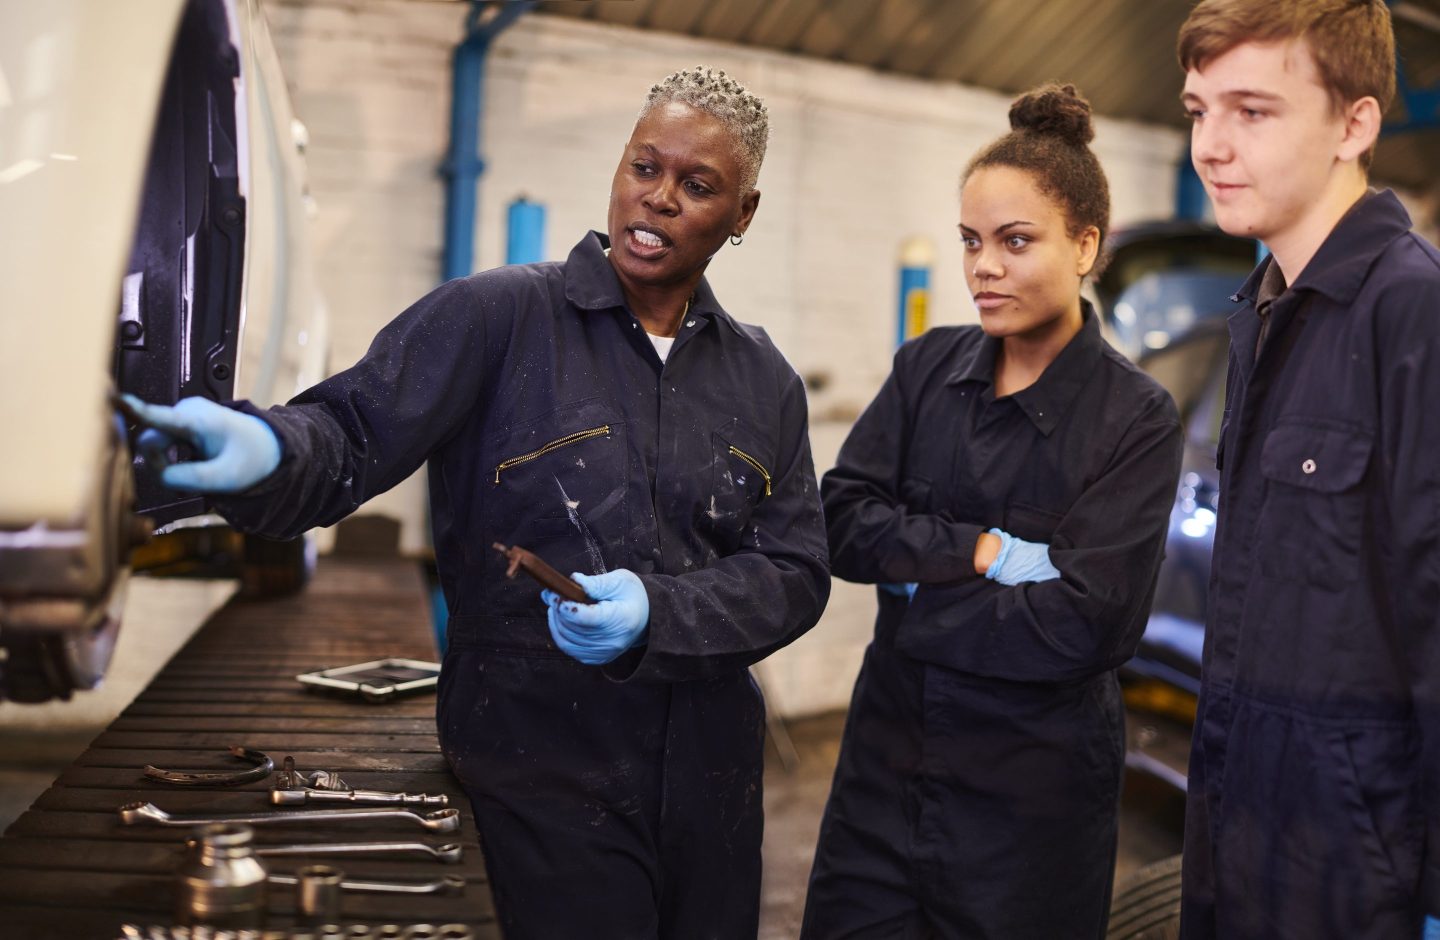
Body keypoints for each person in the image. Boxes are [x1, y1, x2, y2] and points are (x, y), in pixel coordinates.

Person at [123, 65, 830, 938]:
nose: (659, 201)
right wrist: (267, 448)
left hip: (713, 785)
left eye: (698, 186)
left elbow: (796, 571)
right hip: (539, 773)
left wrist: (661, 611)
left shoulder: (763, 380)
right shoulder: (496, 319)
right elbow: (347, 435)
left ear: (743, 214)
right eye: (645, 169)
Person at [801, 83, 1184, 938]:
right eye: (972, 242)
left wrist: (913, 594)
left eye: (1016, 242)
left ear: (1086, 245)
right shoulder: (926, 370)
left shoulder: (1134, 418)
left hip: (1028, 810)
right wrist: (976, 552)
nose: (983, 266)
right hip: (883, 779)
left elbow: (1090, 627)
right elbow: (838, 520)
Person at [1175, 2, 1440, 937]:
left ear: (1355, 125)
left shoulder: (1414, 313)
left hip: (1355, 860)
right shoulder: (1264, 313)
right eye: (1198, 109)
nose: (1211, 145)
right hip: (1241, 822)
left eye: (1252, 110)